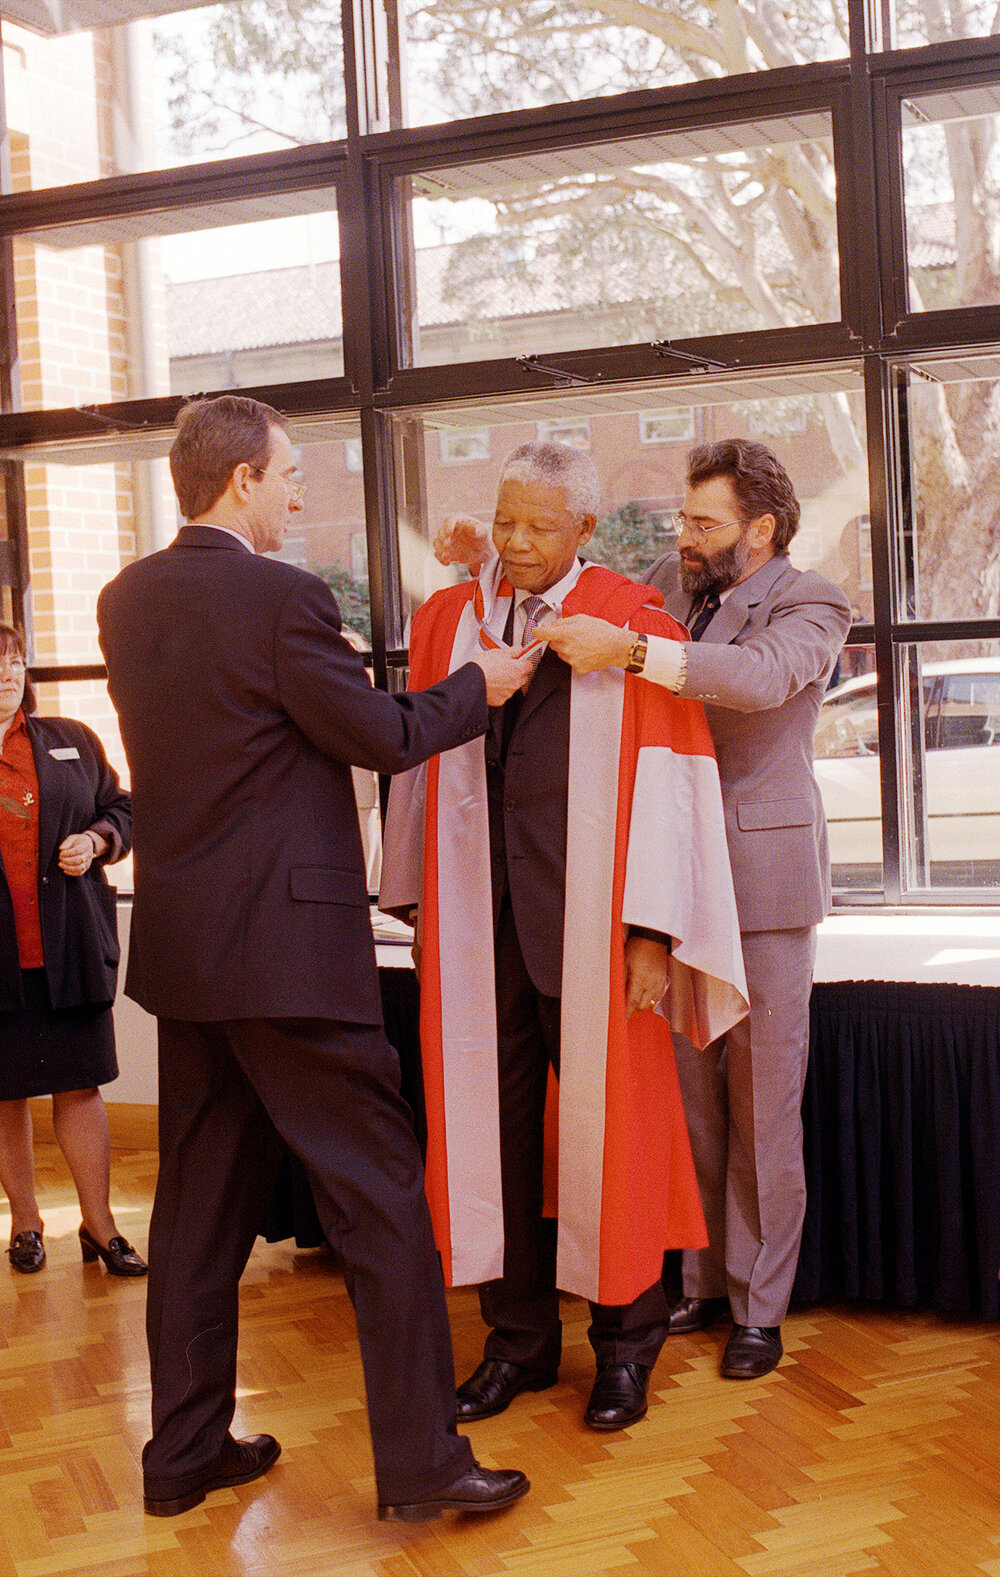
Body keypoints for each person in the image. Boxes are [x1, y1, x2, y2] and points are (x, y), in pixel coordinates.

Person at [96, 394, 535, 1522]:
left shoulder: (125, 596)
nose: (300, 491)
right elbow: (380, 733)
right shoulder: (284, 597)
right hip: (289, 951)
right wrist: (476, 687)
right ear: (239, 479)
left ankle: (182, 1452)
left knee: (196, 1213)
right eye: (290, 473)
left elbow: (232, 733)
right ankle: (426, 1464)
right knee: (383, 1199)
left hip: (189, 950)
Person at [453, 437, 852, 1381]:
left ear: (761, 529)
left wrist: (636, 651)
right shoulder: (672, 589)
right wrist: (483, 553)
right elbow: (570, 568)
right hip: (661, 887)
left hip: (758, 887)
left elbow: (755, 678)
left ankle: (759, 1307)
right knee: (689, 1105)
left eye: (704, 522)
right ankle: (703, 1281)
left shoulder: (812, 600)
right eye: (681, 518)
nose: (683, 535)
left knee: (763, 1110)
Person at [380, 440, 748, 1434]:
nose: (517, 541)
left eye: (542, 525)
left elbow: (671, 785)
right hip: (475, 928)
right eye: (505, 520)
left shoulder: (629, 625)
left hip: (594, 928)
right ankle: (518, 1343)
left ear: (584, 528)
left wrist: (651, 936)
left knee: (617, 1134)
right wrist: (413, 905)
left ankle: (625, 1348)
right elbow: (413, 767)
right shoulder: (447, 619)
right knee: (490, 1135)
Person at [0, 623, 143, 1278]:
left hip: (71, 947)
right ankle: (26, 1222)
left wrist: (97, 840)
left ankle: (100, 1224)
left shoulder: (70, 741)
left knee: (81, 1085)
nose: (8, 675)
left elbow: (122, 806)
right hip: (4, 956)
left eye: (15, 662)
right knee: (5, 1091)